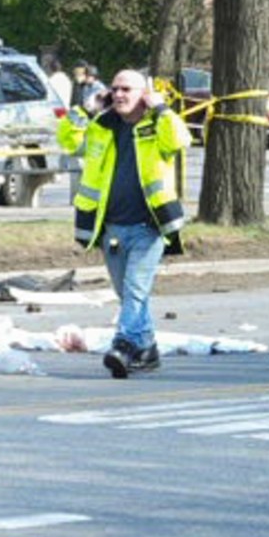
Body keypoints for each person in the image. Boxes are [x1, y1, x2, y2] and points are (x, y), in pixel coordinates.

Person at [59, 68, 187, 378]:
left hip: (149, 227)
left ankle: (124, 344)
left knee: (135, 291)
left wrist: (159, 107)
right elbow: (67, 140)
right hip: (112, 228)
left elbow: (180, 139)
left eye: (126, 89)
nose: (118, 95)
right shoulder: (103, 126)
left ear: (143, 94)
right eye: (115, 89)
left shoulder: (157, 124)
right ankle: (148, 349)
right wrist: (84, 109)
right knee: (127, 294)